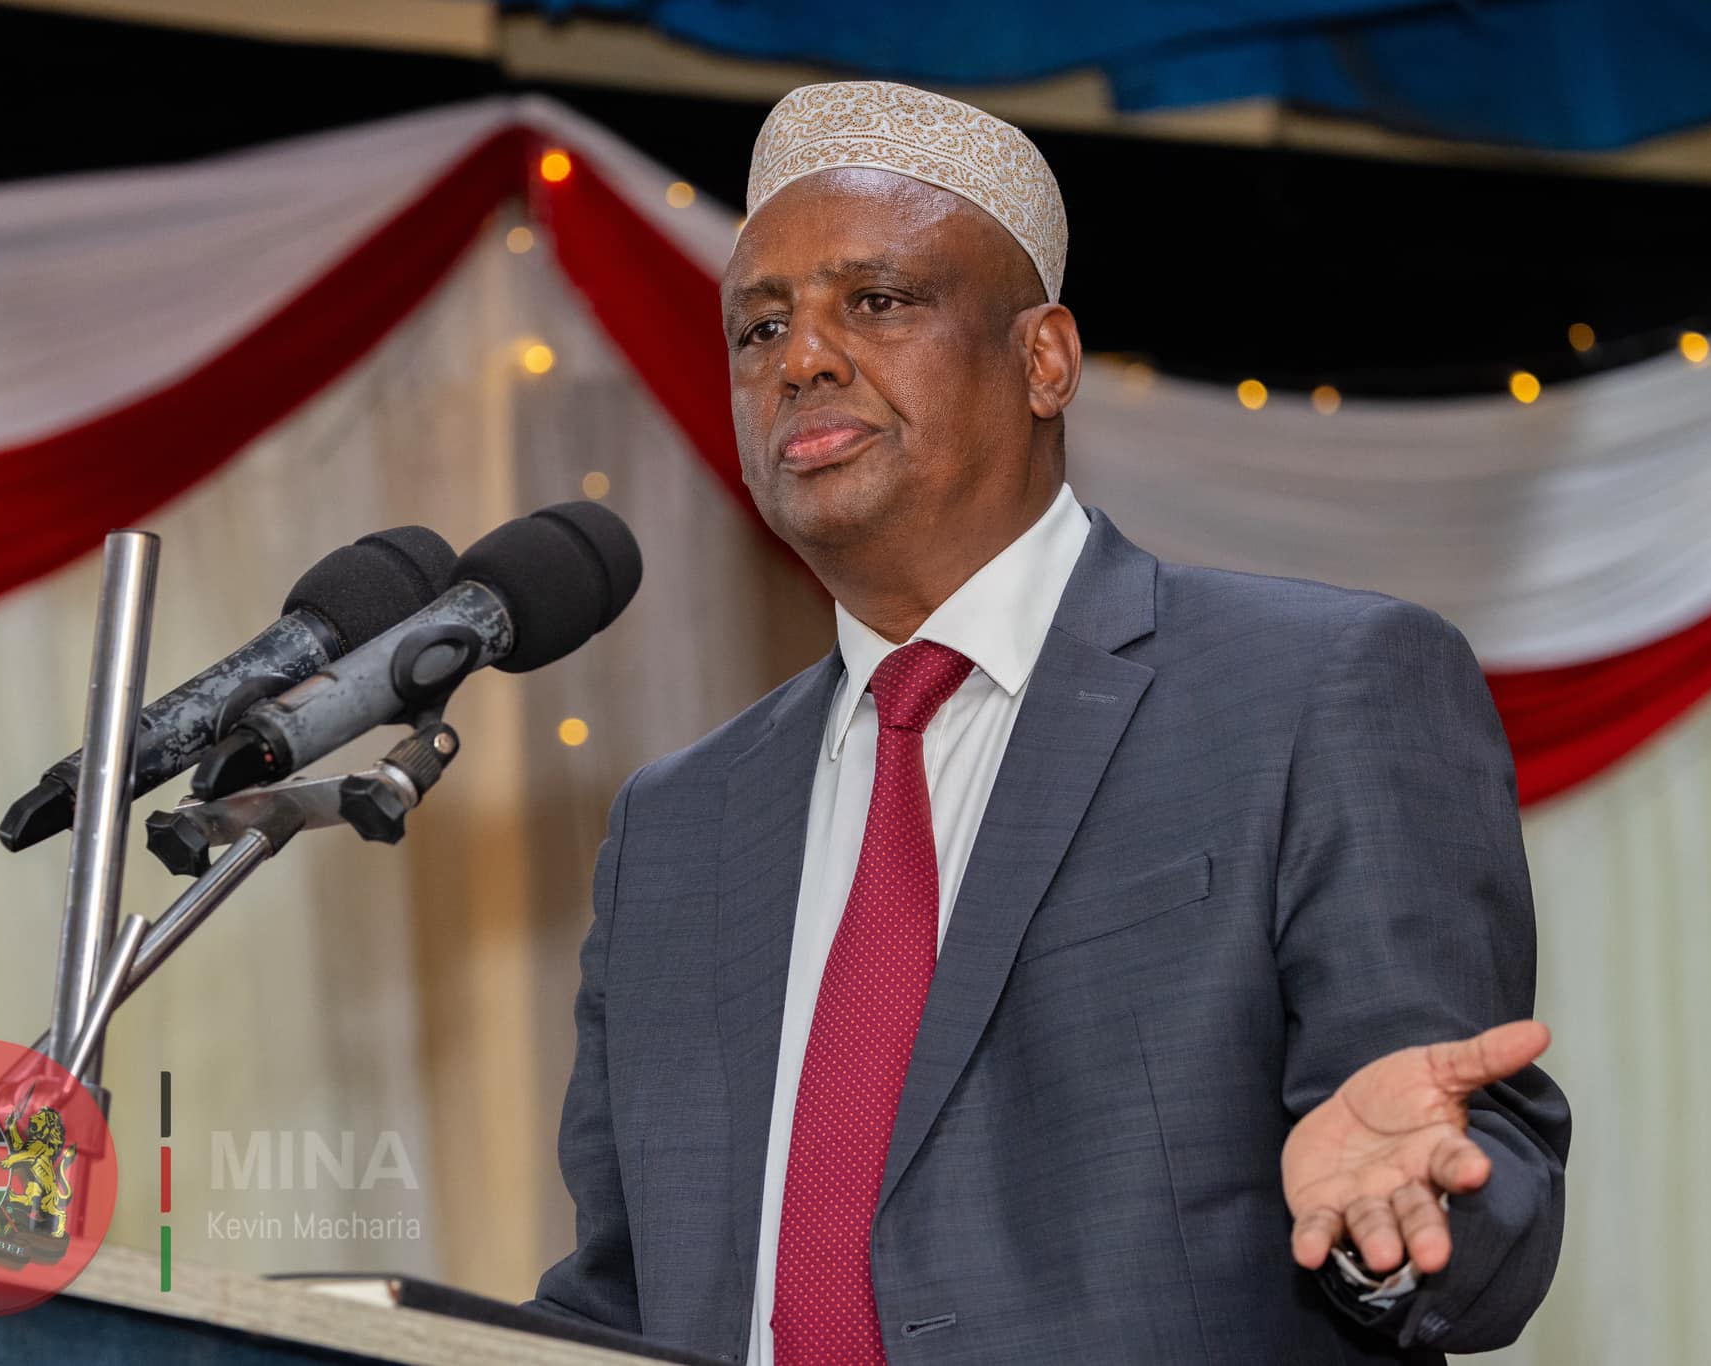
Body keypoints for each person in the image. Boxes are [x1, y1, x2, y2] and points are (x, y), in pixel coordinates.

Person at [528, 81, 1570, 1365]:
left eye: (877, 301)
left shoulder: (1317, 689)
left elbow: (1469, 1187)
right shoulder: (674, 825)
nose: (798, 359)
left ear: (1043, 359)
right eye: (757, 327)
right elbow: (619, 1300)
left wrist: (1398, 1209)